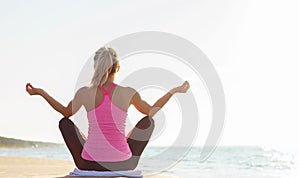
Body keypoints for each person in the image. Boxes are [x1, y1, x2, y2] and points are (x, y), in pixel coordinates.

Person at [26, 46, 190, 171]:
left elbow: (65, 112)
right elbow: (153, 110)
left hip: (88, 164)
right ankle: (118, 148)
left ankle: (101, 149)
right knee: (148, 121)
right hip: (124, 164)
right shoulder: (128, 92)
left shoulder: (85, 92)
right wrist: (174, 91)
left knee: (64, 123)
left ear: (95, 67)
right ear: (117, 68)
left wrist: (41, 92)